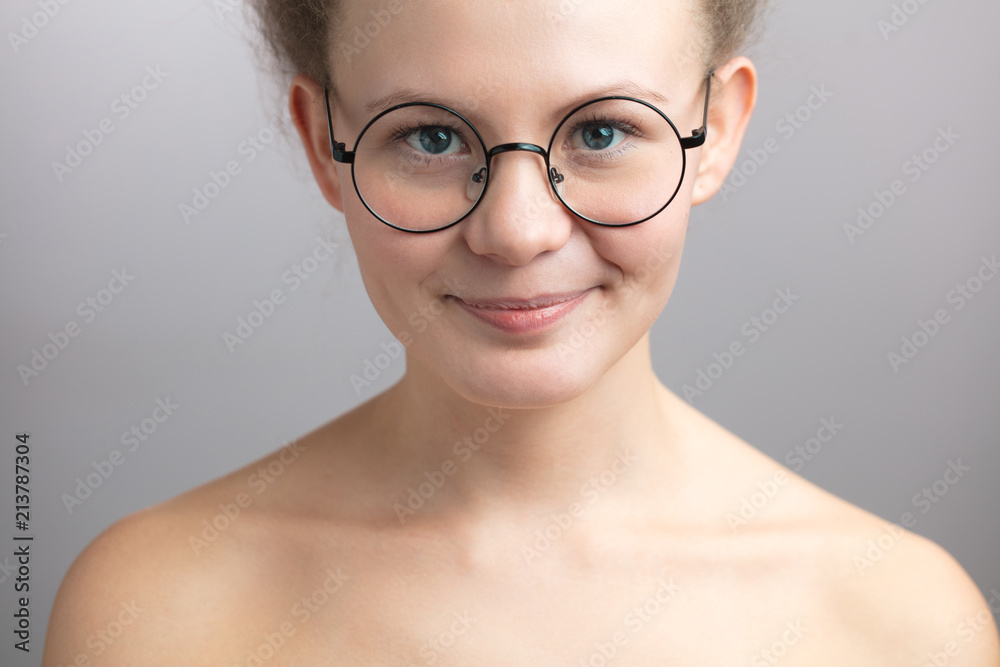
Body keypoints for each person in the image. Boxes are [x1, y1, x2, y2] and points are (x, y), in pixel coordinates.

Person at [43, 0, 1000, 664]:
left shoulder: (905, 628)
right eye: (429, 136)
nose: (516, 230)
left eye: (600, 132)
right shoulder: (144, 613)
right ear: (321, 144)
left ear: (717, 128)